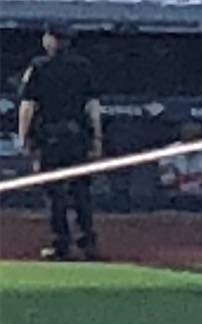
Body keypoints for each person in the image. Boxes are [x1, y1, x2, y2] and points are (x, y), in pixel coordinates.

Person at [16, 23, 102, 260]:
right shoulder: (83, 66)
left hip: (51, 139)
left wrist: (24, 137)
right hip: (78, 138)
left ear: (48, 40)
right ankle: (88, 243)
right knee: (80, 192)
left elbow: (28, 105)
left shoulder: (39, 66)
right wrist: (96, 140)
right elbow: (92, 108)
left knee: (55, 193)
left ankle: (61, 244)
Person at [157, 120, 202, 195]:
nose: (190, 142)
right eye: (187, 139)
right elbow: (166, 181)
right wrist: (181, 180)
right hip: (176, 197)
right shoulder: (168, 152)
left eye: (194, 139)